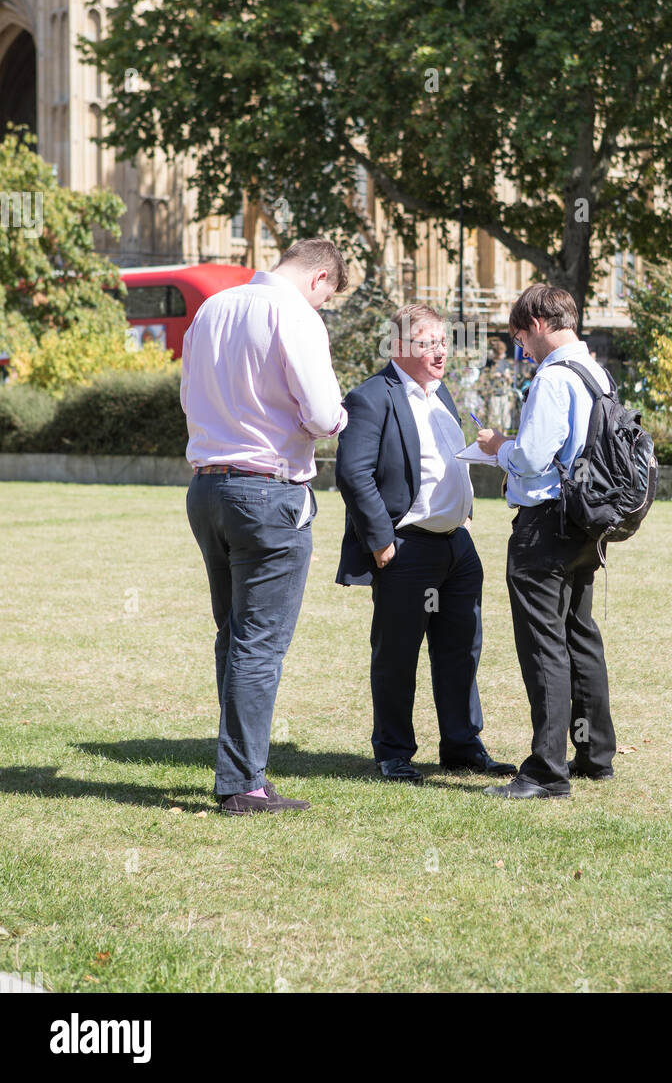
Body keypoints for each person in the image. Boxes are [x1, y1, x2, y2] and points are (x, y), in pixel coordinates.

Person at [181, 238, 348, 816]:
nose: (323, 306)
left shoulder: (212, 308)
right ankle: (242, 783)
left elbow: (190, 395)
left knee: (233, 635)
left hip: (208, 485)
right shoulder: (295, 314)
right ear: (320, 278)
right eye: (328, 297)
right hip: (268, 489)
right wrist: (332, 415)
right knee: (259, 644)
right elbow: (325, 415)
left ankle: (239, 771)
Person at [335, 302, 517, 784]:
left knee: (461, 651)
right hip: (405, 549)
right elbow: (352, 474)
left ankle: (462, 746)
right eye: (428, 343)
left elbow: (450, 460)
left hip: (457, 549)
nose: (440, 352)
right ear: (398, 347)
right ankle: (393, 752)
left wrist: (468, 515)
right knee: (397, 655)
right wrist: (380, 543)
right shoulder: (371, 397)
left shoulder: (442, 395)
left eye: (443, 341)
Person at [477, 284, 616, 800]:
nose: (521, 350)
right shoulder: (596, 372)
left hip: (545, 523)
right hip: (587, 522)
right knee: (580, 635)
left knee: (544, 646)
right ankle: (595, 754)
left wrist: (498, 448)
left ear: (537, 322)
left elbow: (534, 457)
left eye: (520, 339)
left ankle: (545, 771)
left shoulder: (555, 377)